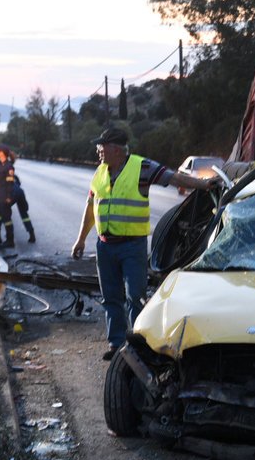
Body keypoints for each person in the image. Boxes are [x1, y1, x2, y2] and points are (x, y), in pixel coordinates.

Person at [71, 127, 220, 361]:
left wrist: (203, 185)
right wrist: (81, 240)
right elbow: (91, 207)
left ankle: (139, 343)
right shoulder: (99, 172)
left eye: (102, 146)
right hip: (105, 245)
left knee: (136, 296)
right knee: (111, 297)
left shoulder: (142, 167)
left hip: (132, 246)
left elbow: (174, 178)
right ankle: (116, 343)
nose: (98, 150)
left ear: (116, 149)